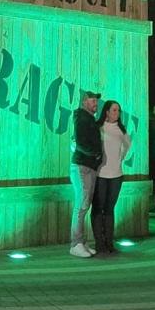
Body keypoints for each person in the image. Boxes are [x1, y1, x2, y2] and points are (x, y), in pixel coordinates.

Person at [91, 99, 132, 255]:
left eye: (119, 110)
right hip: (101, 174)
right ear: (106, 112)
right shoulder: (98, 127)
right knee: (98, 208)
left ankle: (109, 241)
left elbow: (127, 145)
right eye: (114, 110)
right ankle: (99, 242)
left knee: (109, 209)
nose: (117, 113)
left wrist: (119, 159)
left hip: (116, 175)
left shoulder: (121, 129)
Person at [69, 89, 102, 257]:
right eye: (92, 100)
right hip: (82, 166)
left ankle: (81, 242)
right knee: (81, 206)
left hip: (88, 166)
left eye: (96, 100)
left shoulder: (89, 119)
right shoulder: (82, 118)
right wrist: (96, 153)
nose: (95, 103)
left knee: (84, 205)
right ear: (84, 102)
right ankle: (75, 244)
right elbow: (81, 143)